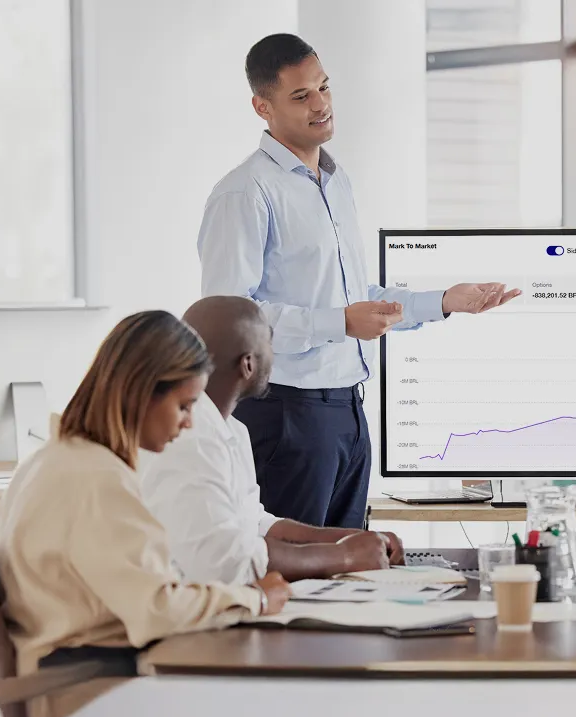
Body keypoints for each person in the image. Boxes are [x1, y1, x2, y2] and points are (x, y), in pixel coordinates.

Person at [198, 33, 520, 530]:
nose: (321, 105)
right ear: (263, 106)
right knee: (293, 572)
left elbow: (351, 300)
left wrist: (445, 302)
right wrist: (339, 322)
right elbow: (228, 321)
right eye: (301, 96)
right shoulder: (245, 191)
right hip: (286, 412)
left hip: (348, 409)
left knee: (349, 572)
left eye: (324, 88)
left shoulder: (335, 181)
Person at [0, 311, 291, 717]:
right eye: (184, 406)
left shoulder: (56, 458)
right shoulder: (97, 480)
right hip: (92, 704)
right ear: (142, 392)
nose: (189, 422)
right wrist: (253, 598)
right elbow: (156, 609)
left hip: (76, 685)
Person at [140, 296, 407, 584]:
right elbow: (223, 560)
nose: (275, 354)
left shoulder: (232, 429)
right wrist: (343, 557)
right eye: (269, 343)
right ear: (248, 365)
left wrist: (351, 539)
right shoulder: (186, 435)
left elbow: (255, 524)